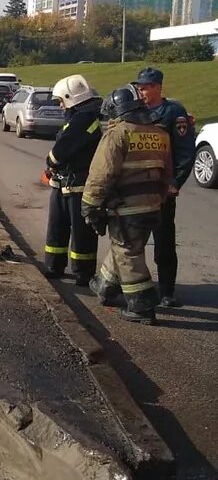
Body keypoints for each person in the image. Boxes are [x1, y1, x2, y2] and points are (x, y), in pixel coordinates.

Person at [82, 85, 172, 325]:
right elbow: (167, 174)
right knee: (123, 247)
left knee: (128, 252)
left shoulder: (118, 134)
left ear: (117, 111)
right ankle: (106, 287)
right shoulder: (160, 133)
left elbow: (101, 175)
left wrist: (90, 205)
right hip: (153, 205)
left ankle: (142, 306)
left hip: (126, 208)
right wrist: (159, 199)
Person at [133, 66, 196, 308]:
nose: (142, 91)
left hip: (162, 190)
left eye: (146, 87)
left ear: (158, 87)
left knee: (164, 241)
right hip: (138, 188)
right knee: (133, 241)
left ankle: (167, 291)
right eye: (140, 87)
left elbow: (184, 153)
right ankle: (132, 286)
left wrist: (175, 183)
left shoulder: (173, 113)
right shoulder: (137, 110)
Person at [42, 75, 102, 286]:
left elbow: (60, 151)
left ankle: (82, 272)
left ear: (70, 99)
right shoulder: (80, 119)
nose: (60, 106)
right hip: (63, 183)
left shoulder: (82, 121)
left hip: (78, 186)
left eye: (61, 101)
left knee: (81, 232)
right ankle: (54, 265)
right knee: (58, 226)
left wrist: (50, 162)